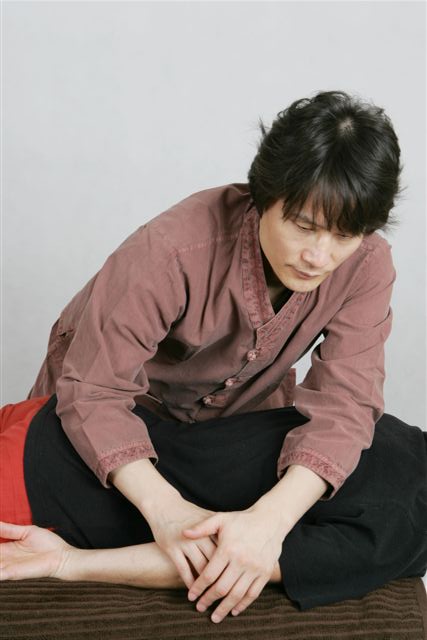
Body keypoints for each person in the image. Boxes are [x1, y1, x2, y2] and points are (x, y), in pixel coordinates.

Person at [2, 90, 426, 624]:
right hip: (102, 422)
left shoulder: (365, 263)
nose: (319, 256)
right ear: (265, 195)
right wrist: (165, 511)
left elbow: (348, 402)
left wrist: (269, 522)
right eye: (303, 226)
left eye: (344, 235)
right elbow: (94, 392)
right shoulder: (171, 248)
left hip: (228, 427)